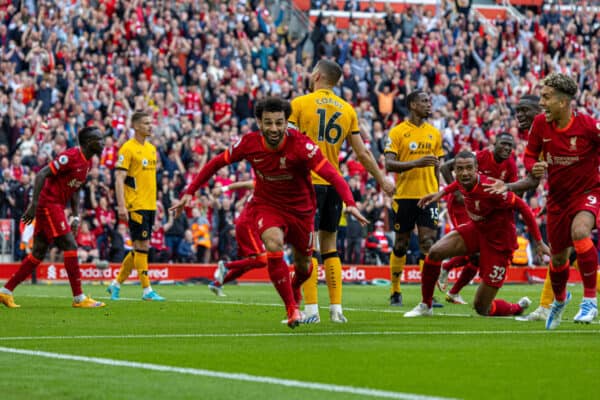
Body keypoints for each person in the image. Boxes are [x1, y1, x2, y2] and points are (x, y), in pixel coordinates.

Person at [170, 97, 368, 328]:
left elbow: (332, 174)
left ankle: (295, 288)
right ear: (259, 122)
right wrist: (189, 191)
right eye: (268, 123)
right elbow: (216, 163)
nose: (273, 128)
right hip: (268, 206)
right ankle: (292, 309)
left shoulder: (302, 146)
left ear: (286, 123)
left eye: (278, 123)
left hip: (301, 210)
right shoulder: (248, 143)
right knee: (273, 245)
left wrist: (350, 202)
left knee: (304, 266)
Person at [486, 73, 600, 329]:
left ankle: (590, 301)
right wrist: (533, 166)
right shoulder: (540, 124)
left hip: (587, 193)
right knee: (558, 261)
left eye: (546, 98)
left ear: (563, 102)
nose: (542, 102)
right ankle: (560, 300)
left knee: (580, 232)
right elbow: (528, 156)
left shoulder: (588, 126)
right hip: (557, 200)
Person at [288, 59, 394, 323]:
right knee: (330, 247)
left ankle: (311, 310)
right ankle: (336, 309)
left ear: (316, 76)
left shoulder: (299, 104)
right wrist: (382, 179)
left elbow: (285, 144)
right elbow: (363, 153)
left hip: (307, 184)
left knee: (306, 249)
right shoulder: (347, 110)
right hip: (333, 183)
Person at [404, 151, 549, 317]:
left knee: (482, 308)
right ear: (455, 171)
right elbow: (457, 185)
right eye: (459, 169)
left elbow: (523, 207)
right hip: (477, 230)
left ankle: (517, 308)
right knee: (435, 252)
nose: (464, 172)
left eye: (468, 168)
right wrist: (442, 193)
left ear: (476, 169)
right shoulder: (463, 181)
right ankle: (426, 305)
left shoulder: (490, 188)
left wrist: (539, 242)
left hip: (499, 243)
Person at [0, 127, 106, 308]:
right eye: (99, 139)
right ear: (89, 143)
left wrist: (75, 216)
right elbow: (42, 174)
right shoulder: (71, 156)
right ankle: (79, 298)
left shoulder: (87, 163)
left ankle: (6, 291)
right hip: (49, 204)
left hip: (55, 206)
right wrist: (33, 205)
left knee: (38, 253)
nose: (103, 142)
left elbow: (75, 188)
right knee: (70, 245)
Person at [437, 132, 518, 304]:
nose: (506, 148)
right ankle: (446, 268)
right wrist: (458, 192)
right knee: (473, 250)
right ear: (493, 143)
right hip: (462, 206)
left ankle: (453, 290)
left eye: (510, 145)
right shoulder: (479, 156)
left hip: (484, 210)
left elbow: (515, 192)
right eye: (503, 143)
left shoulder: (510, 165)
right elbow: (445, 168)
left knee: (478, 255)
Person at [384, 90, 445, 306]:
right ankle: (395, 291)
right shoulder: (398, 132)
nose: (429, 104)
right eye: (424, 101)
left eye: (430, 101)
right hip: (405, 197)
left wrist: (439, 191)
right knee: (401, 245)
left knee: (428, 243)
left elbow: (437, 165)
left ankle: (427, 296)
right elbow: (389, 164)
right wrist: (415, 163)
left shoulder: (435, 133)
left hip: (429, 197)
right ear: (412, 105)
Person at [106, 111, 165, 301]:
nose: (150, 125)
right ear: (136, 126)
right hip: (135, 204)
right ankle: (147, 290)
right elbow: (119, 178)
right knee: (143, 246)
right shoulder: (127, 149)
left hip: (149, 204)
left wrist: (156, 202)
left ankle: (115, 284)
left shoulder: (151, 149)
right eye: (146, 123)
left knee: (140, 248)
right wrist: (121, 206)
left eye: (151, 122)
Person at [208, 180, 267, 297]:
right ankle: (225, 265)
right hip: (247, 225)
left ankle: (217, 284)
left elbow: (244, 184)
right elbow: (244, 184)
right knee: (262, 261)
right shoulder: (267, 183)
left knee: (247, 264)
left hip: (249, 225)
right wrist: (223, 189)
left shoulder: (275, 188)